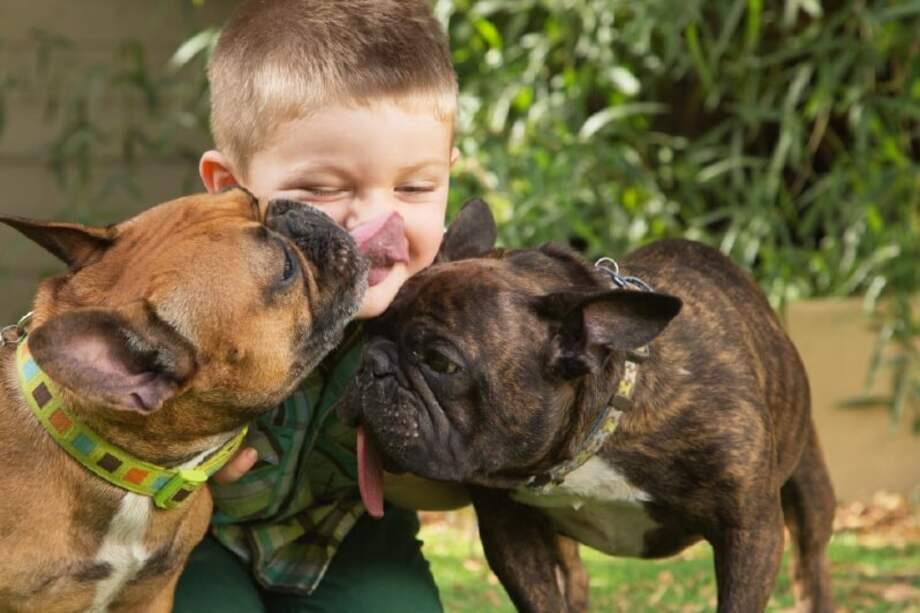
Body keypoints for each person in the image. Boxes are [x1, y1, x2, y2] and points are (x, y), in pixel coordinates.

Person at [172, 1, 468, 610]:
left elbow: (458, 489)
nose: (375, 223)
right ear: (230, 189)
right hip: (194, 533)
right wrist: (181, 460)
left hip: (346, 533)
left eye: (414, 188)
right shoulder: (186, 293)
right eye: (321, 189)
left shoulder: (447, 315)